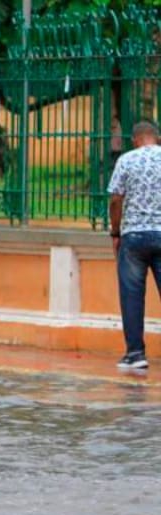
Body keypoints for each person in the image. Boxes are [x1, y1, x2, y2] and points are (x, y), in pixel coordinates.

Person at [107, 119, 161, 370]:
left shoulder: (126, 160)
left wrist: (116, 232)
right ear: (157, 138)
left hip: (134, 237)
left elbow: (116, 200)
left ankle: (135, 354)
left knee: (132, 296)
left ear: (135, 139)